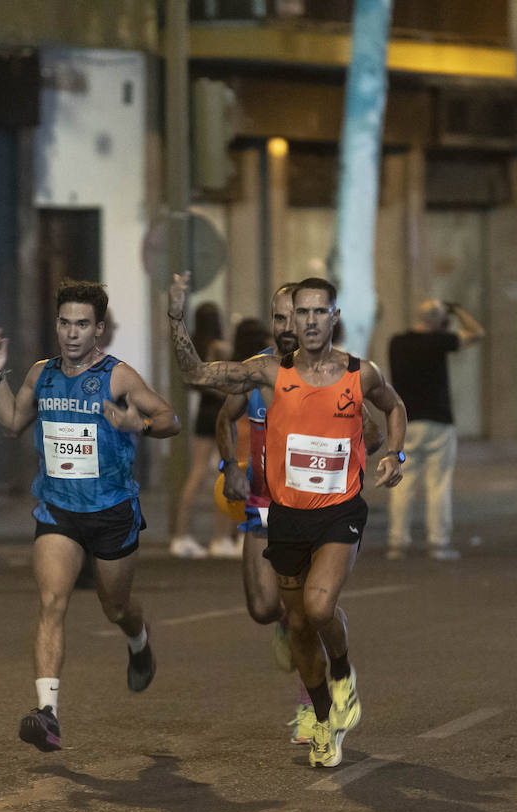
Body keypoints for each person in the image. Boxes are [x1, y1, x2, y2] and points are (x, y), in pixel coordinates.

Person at [169, 273, 407, 768]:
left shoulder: (360, 373)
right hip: (284, 515)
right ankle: (323, 719)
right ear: (292, 320)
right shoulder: (268, 372)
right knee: (295, 623)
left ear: (334, 318)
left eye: (321, 311)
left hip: (341, 511)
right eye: (302, 313)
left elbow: (395, 407)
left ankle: (343, 677)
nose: (311, 321)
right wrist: (175, 319)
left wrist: (395, 455)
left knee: (319, 609)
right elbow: (197, 374)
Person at [0, 277, 180, 753]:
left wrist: (141, 424)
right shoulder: (40, 374)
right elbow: (12, 423)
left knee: (115, 606)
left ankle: (138, 640)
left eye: (83, 325)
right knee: (52, 601)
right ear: (57, 325)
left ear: (99, 329)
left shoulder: (118, 377)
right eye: (66, 323)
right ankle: (47, 713)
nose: (72, 333)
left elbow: (169, 418)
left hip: (111, 511)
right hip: (58, 510)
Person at [385, 299, 484, 561]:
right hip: (439, 423)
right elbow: (477, 333)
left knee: (402, 482)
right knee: (438, 483)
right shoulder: (440, 342)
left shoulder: (397, 343)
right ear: (439, 321)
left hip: (405, 423)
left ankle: (398, 542)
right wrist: (458, 309)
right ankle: (438, 542)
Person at [170, 301, 241, 559]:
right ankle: (220, 538)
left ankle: (181, 535)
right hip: (220, 412)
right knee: (227, 473)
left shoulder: (195, 348)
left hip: (202, 413)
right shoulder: (220, 347)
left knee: (197, 473)